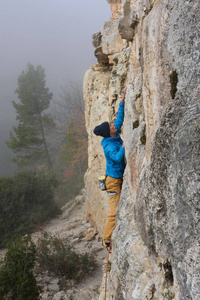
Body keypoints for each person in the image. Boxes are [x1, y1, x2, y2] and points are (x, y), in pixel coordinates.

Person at [93, 88, 126, 251]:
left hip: (117, 177)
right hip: (113, 182)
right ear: (109, 132)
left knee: (118, 208)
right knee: (114, 210)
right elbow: (118, 158)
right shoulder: (108, 145)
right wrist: (124, 146)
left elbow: (119, 120)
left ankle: (108, 237)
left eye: (112, 124)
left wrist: (122, 101)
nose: (114, 125)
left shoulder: (113, 134)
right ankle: (106, 239)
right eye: (111, 125)